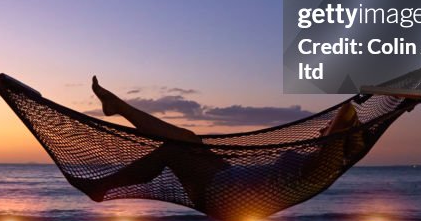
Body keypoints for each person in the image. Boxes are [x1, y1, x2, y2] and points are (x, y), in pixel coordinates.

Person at [74, 77, 365, 210]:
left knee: (174, 151)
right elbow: (343, 121)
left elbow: (346, 113)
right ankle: (118, 107)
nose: (321, 130)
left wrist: (366, 96)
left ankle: (101, 186)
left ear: (338, 137)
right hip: (228, 180)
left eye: (327, 129)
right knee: (187, 138)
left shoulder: (324, 164)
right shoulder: (322, 161)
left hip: (225, 195)